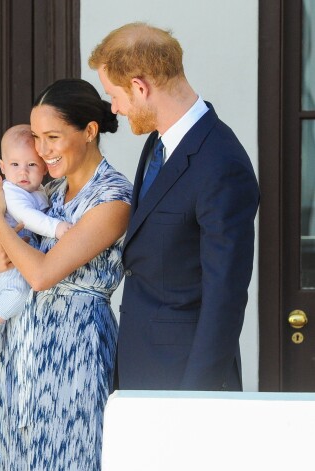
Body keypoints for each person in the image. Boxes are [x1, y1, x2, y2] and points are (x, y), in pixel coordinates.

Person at [0, 78, 132, 470]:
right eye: (37, 138)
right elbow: (5, 286)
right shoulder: (48, 194)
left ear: (89, 132)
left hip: (74, 353)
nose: (41, 150)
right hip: (19, 357)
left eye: (52, 137)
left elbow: (42, 275)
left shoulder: (113, 197)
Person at [88, 22, 260, 391]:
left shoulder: (221, 163)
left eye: (113, 95)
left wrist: (194, 399)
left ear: (139, 86)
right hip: (141, 368)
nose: (114, 108)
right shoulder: (157, 145)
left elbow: (225, 297)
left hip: (184, 381)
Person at [0, 124, 72, 371]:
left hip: (16, 250)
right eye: (15, 165)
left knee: (13, 293)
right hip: (3, 249)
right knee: (17, 293)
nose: (23, 172)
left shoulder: (41, 190)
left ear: (44, 167)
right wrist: (57, 228)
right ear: (2, 167)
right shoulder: (11, 192)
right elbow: (28, 218)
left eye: (31, 165)